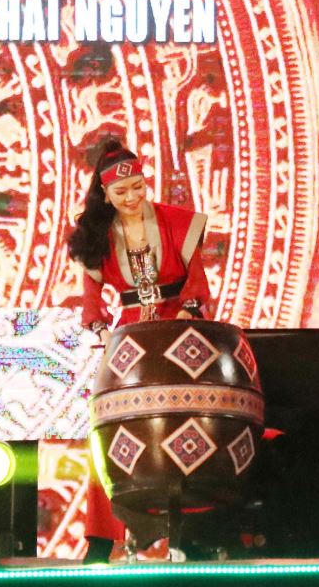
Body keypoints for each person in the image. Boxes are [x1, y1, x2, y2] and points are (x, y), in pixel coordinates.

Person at [67, 136, 211, 561]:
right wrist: (100, 332)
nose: (132, 198)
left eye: (138, 188)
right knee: (112, 435)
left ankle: (192, 534)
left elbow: (197, 282)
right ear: (105, 194)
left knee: (188, 429)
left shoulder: (176, 223)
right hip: (129, 340)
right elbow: (91, 301)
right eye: (121, 192)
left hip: (181, 331)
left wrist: (185, 314)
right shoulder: (98, 236)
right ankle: (102, 537)